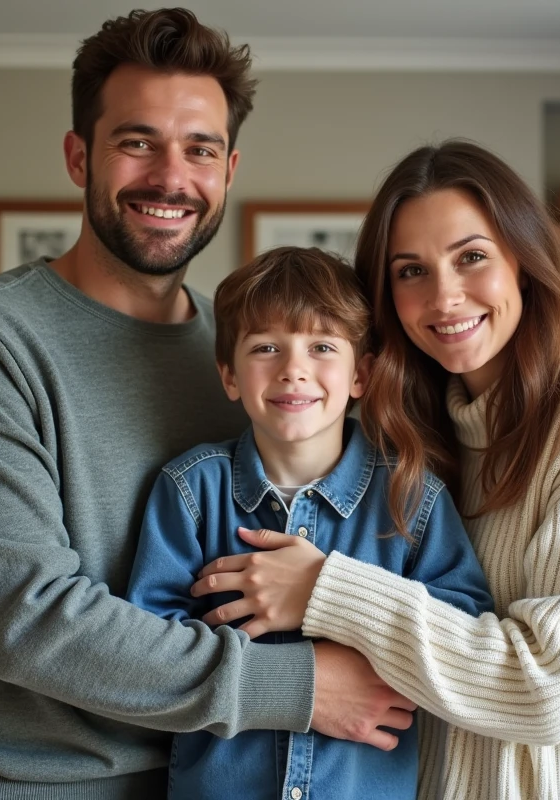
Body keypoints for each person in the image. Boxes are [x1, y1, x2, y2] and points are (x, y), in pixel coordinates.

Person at [0, 10, 414, 799]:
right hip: (22, 780)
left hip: (208, 773)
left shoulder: (252, 356)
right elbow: (32, 623)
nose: (171, 178)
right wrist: (301, 686)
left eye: (198, 149)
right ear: (79, 157)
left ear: (229, 169)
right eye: (137, 142)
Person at [192, 140, 560, 800]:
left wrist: (324, 589)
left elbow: (546, 693)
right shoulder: (411, 441)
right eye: (411, 271)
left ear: (523, 261)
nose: (445, 296)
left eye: (471, 258)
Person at [125, 246, 495, 800]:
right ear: (229, 375)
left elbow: (460, 631)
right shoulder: (189, 490)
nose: (293, 369)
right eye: (266, 347)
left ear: (361, 375)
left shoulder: (411, 498)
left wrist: (360, 631)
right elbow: (150, 654)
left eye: (322, 347)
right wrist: (296, 679)